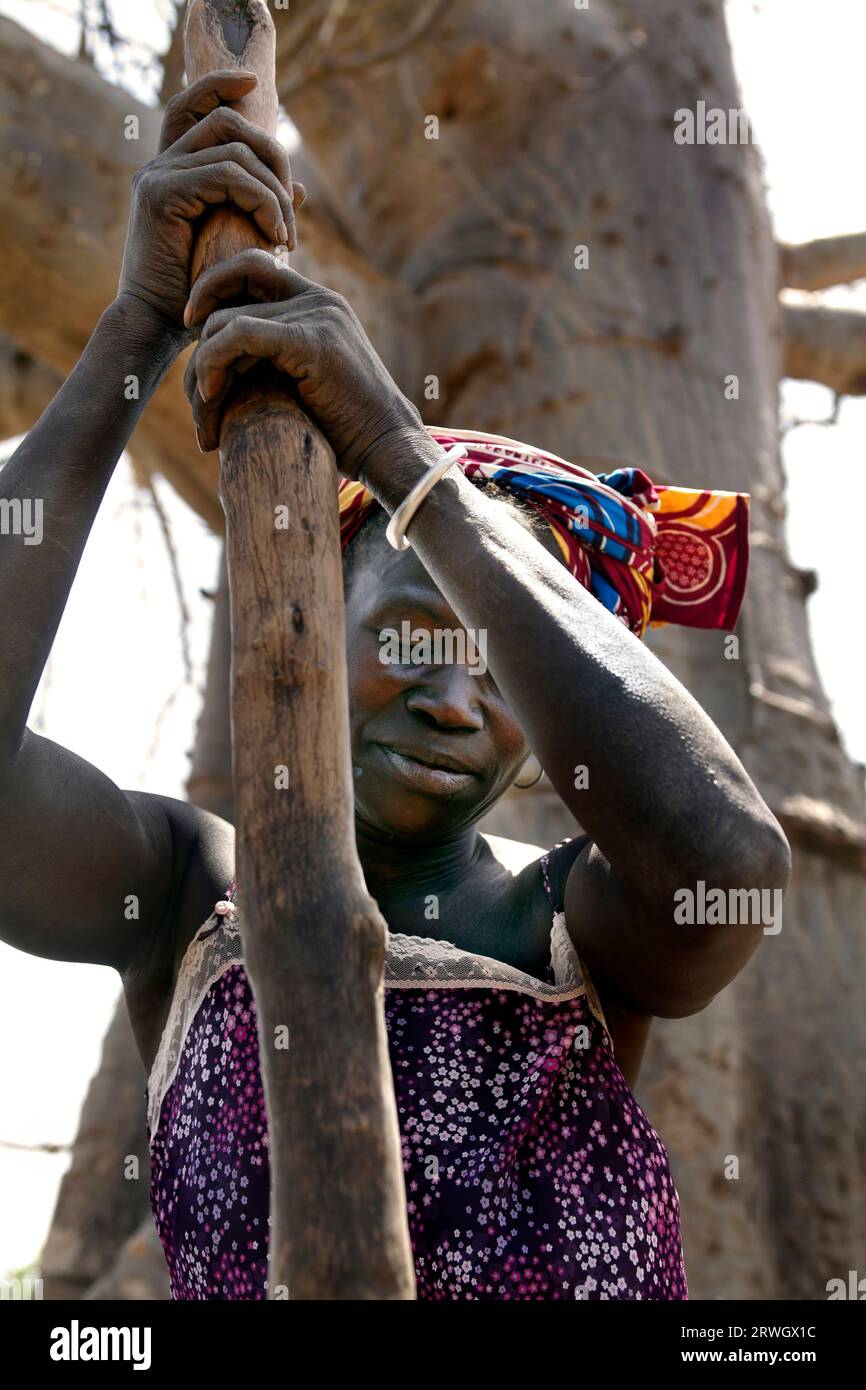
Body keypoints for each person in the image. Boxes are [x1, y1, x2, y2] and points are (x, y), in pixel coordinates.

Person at [0, 72, 790, 1301]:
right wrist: (134, 330)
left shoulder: (579, 935)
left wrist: (401, 456)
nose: (456, 702)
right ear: (312, 613)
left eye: (505, 672)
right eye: (420, 632)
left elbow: (730, 869)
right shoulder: (181, 895)